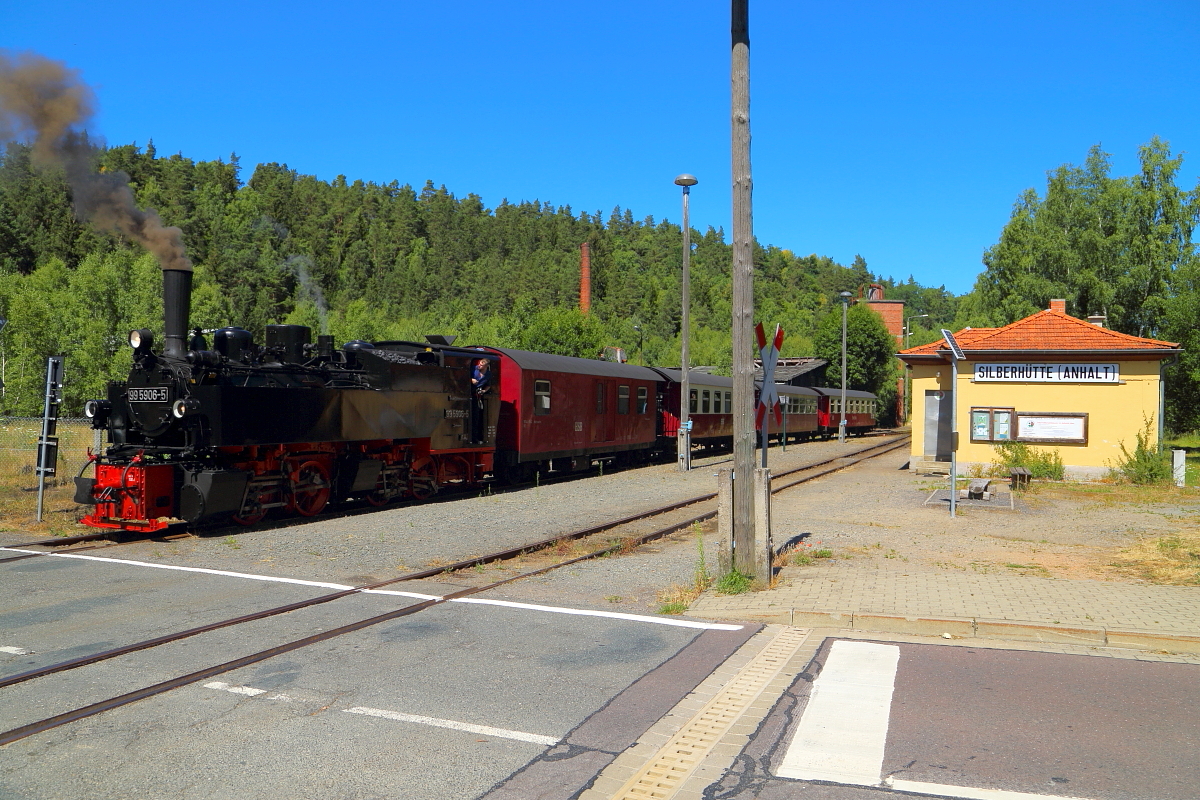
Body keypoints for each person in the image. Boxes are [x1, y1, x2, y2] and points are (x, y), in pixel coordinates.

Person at [470, 359, 491, 443]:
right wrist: (471, 380)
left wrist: (484, 391)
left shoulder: (488, 374)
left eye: (481, 365)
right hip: (469, 393)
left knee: (476, 417)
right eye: (479, 364)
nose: (479, 366)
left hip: (477, 396)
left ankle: (475, 437)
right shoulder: (473, 369)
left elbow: (488, 385)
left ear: (486, 366)